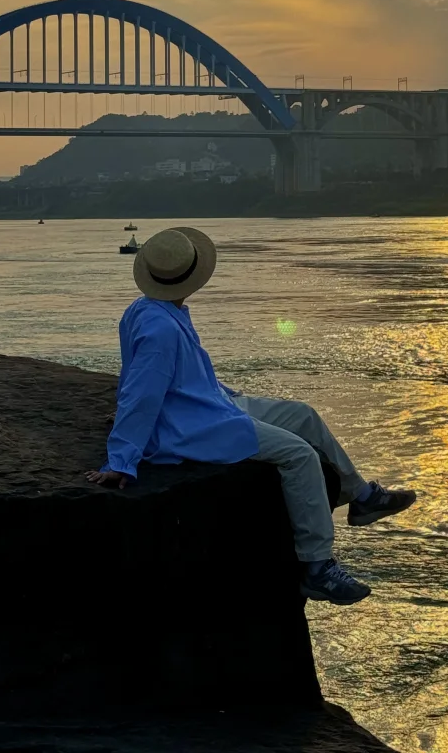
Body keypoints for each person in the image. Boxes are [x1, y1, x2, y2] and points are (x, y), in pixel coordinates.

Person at [86, 226, 416, 605]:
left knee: (304, 416)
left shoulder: (148, 309)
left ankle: (361, 497)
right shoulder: (161, 328)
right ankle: (317, 565)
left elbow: (138, 376)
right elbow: (143, 392)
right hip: (193, 425)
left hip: (210, 402)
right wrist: (122, 460)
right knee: (299, 455)